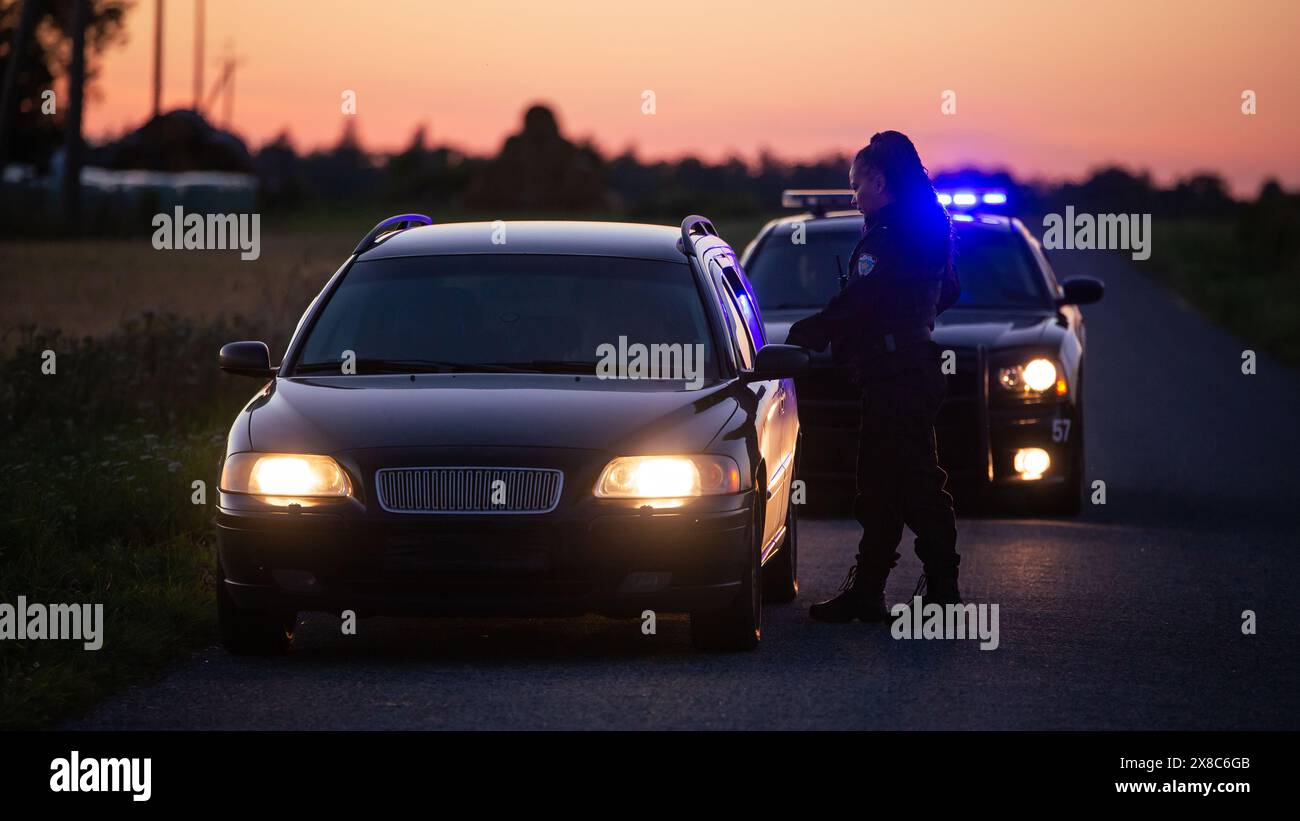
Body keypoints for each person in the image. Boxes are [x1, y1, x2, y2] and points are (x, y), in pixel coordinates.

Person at [786, 131, 962, 622]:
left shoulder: (891, 234)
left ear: (880, 182)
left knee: (915, 482)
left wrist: (811, 331)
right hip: (906, 368)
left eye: (857, 185)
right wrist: (908, 319)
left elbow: (861, 298)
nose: (855, 195)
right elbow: (949, 291)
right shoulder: (926, 228)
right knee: (883, 484)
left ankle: (944, 591)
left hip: (898, 374)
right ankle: (868, 592)